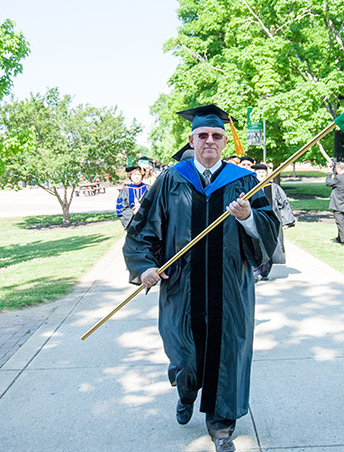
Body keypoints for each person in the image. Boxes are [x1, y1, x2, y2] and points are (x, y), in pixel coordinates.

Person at [123, 104, 279, 452]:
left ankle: (221, 424)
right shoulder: (171, 179)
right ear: (191, 140)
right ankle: (185, 389)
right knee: (185, 354)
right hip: (182, 286)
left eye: (217, 136)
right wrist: (145, 266)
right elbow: (144, 227)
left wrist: (248, 216)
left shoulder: (243, 181)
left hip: (230, 287)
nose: (210, 140)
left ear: (225, 142)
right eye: (203, 135)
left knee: (228, 351)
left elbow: (270, 228)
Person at [250, 164, 296, 281]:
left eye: (263, 173)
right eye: (259, 172)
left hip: (271, 223)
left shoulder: (273, 187)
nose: (261, 174)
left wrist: (287, 221)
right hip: (254, 222)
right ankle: (255, 270)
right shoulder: (250, 186)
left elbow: (283, 204)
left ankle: (265, 271)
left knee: (270, 247)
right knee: (255, 246)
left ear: (267, 174)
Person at [325, 160, 344, 246]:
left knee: (340, 223)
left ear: (338, 169)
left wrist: (329, 173)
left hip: (337, 203)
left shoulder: (338, 178)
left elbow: (327, 183)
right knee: (341, 221)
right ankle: (339, 238)